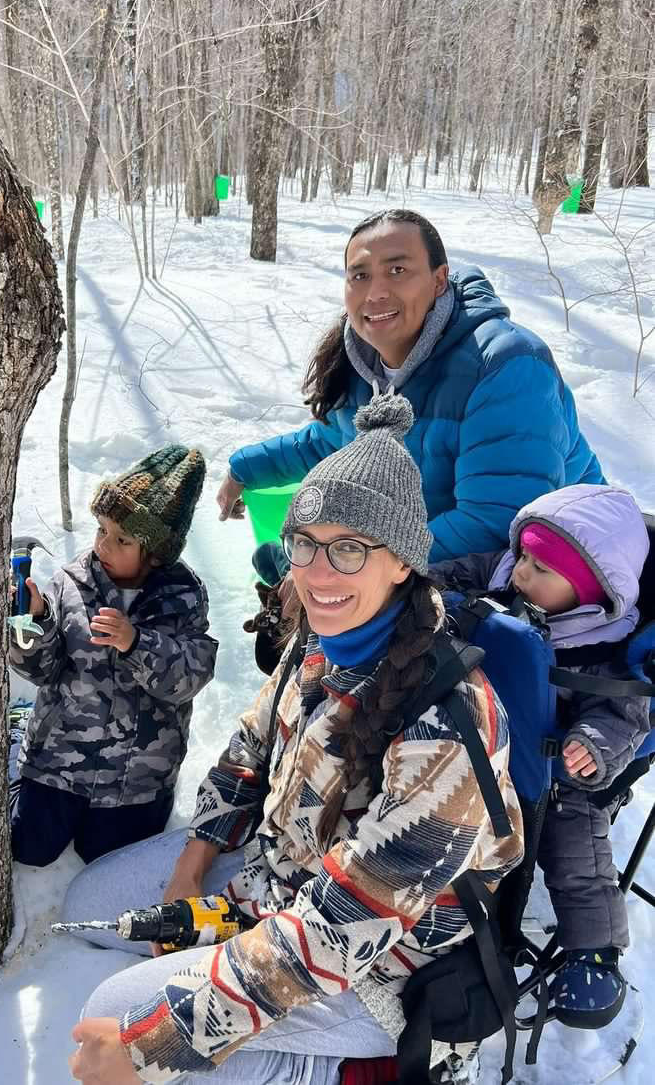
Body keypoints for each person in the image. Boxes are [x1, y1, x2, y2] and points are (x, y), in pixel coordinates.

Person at [67, 395, 524, 1085]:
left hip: (382, 960)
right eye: (303, 542)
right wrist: (194, 865)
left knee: (117, 1018)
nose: (314, 571)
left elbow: (349, 921)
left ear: (401, 562)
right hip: (277, 878)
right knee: (93, 905)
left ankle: (334, 1068)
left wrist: (157, 1043)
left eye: (347, 548)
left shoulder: (450, 718)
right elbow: (247, 750)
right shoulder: (319, 642)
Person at [217, 208, 603, 565]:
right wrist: (244, 469)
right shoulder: (366, 361)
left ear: (439, 280)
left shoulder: (506, 365)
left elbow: (495, 522)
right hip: (432, 546)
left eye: (397, 270)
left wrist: (359, 565)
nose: (376, 292)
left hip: (556, 568)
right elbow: (333, 441)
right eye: (360, 275)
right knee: (293, 562)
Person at [432, 483, 651, 1029]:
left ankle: (594, 953)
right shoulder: (505, 571)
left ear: (589, 592)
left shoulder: (606, 646)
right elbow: (445, 576)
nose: (522, 572)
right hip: (473, 725)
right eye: (523, 556)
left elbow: (625, 715)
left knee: (574, 841)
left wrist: (591, 746)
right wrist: (430, 595)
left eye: (540, 569)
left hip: (557, 769)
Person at [8, 445, 217, 868]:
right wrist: (34, 624)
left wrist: (137, 643)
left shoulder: (182, 596)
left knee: (106, 861)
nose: (104, 543)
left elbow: (191, 675)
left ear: (156, 552)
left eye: (123, 539)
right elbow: (40, 670)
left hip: (137, 778)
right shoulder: (70, 583)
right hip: (58, 763)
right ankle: (18, 738)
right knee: (27, 849)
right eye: (102, 528)